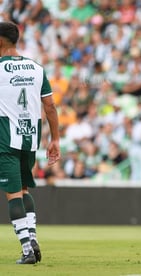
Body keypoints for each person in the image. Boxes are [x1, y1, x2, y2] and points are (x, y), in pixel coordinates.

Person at [0, 21, 60, 264]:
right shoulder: (36, 68)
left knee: (13, 194)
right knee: (24, 189)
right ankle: (32, 238)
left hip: (5, 140)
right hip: (30, 139)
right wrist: (55, 138)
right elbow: (51, 106)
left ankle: (27, 249)